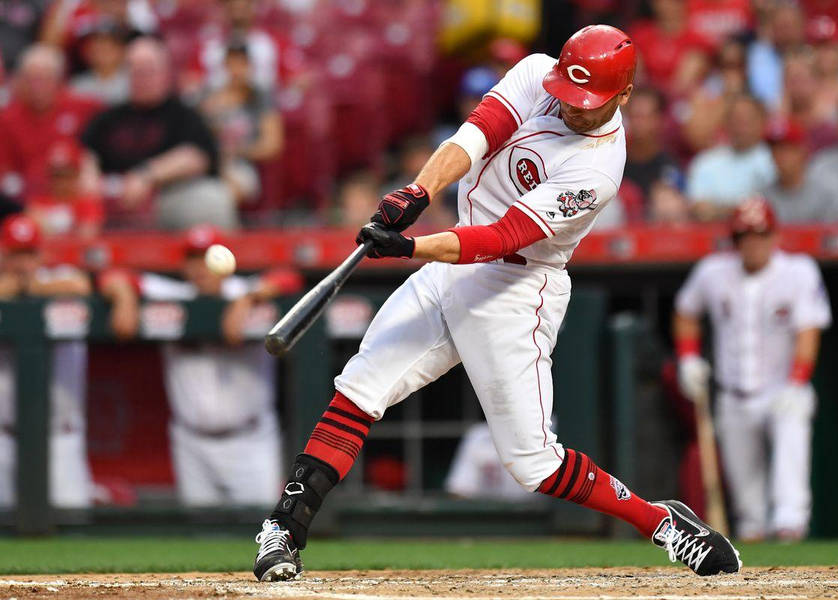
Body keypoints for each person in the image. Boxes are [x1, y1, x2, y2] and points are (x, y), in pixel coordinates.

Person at [252, 25, 741, 582]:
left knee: (534, 464)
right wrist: (416, 193)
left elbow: (501, 238)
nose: (568, 106)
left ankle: (661, 522)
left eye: (587, 102)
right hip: (449, 265)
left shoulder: (599, 168)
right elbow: (475, 136)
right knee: (360, 386)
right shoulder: (538, 74)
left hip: (515, 289)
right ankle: (284, 529)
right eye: (567, 89)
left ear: (624, 95)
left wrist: (411, 246)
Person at [99, 224, 301, 507]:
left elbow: (290, 277)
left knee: (263, 529)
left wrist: (249, 298)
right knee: (199, 536)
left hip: (250, 441)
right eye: (193, 259)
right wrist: (123, 295)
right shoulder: (172, 294)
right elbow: (113, 274)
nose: (200, 268)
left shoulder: (245, 290)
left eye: (207, 257)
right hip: (191, 442)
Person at [673, 197, 832, 541]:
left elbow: (809, 331)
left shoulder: (798, 271)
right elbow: (685, 312)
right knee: (748, 506)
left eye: (760, 235)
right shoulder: (713, 272)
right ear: (735, 241)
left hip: (783, 388)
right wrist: (688, 358)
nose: (753, 243)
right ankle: (754, 545)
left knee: (790, 468)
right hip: (734, 394)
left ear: (774, 236)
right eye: (745, 236)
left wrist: (797, 382)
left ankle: (792, 529)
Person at [80, 37, 235, 230]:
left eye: (148, 71)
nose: (141, 78)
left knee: (211, 198)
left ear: (165, 73)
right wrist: (91, 182)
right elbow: (88, 154)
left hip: (168, 195)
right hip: (112, 199)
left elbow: (197, 157)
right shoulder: (109, 116)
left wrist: (146, 176)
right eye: (135, 71)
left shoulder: (183, 114)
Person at [0, 214, 94, 508]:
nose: (23, 263)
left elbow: (81, 286)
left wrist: (28, 289)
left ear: (41, 255)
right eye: (15, 254)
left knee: (73, 523)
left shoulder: (60, 278)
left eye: (29, 253)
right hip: (3, 437)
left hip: (59, 436)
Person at [0, 44, 100, 203]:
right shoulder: (7, 118)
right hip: (29, 201)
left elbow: (110, 135)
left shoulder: (84, 107)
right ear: (20, 81)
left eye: (44, 79)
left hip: (75, 196)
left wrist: (91, 165)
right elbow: (5, 172)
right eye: (31, 79)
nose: (37, 87)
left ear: (59, 80)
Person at [199, 41, 284, 206]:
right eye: (232, 64)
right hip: (210, 164)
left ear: (249, 66)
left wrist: (237, 151)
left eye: (241, 64)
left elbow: (273, 145)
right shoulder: (210, 98)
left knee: (223, 192)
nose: (236, 70)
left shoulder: (260, 98)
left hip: (243, 166)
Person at [686, 94, 776, 220]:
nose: (741, 127)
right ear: (725, 123)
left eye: (747, 120)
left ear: (762, 122)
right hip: (716, 236)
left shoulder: (775, 160)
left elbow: (775, 208)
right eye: (736, 120)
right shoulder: (706, 162)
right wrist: (744, 210)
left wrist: (722, 210)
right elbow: (700, 211)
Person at [762, 119, 838, 223]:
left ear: (802, 150)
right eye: (774, 149)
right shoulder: (765, 197)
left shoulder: (827, 190)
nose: (779, 156)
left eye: (786, 149)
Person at [69, 19, 130, 105]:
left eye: (109, 45)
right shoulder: (77, 86)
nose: (100, 49)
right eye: (95, 45)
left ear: (122, 50)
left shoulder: (134, 82)